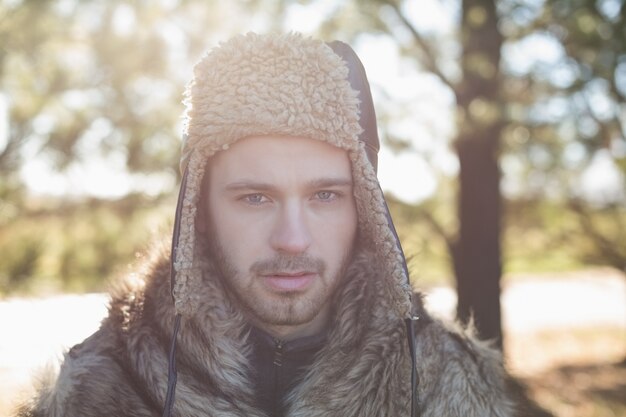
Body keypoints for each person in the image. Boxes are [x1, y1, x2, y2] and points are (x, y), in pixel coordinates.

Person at [16, 32, 517, 417]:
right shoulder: (96, 388)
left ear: (363, 208)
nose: (292, 239)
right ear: (199, 214)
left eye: (325, 195)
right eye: (254, 198)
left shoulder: (446, 382)